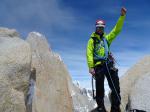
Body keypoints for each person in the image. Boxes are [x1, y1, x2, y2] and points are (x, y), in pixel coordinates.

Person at [86, 7, 127, 112]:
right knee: (99, 89)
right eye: (98, 27)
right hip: (98, 65)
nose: (100, 29)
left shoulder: (106, 39)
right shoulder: (92, 40)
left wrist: (122, 16)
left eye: (102, 27)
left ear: (103, 28)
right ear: (96, 28)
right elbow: (89, 53)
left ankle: (115, 108)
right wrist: (91, 67)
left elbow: (116, 30)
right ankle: (101, 108)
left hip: (108, 64)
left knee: (115, 86)